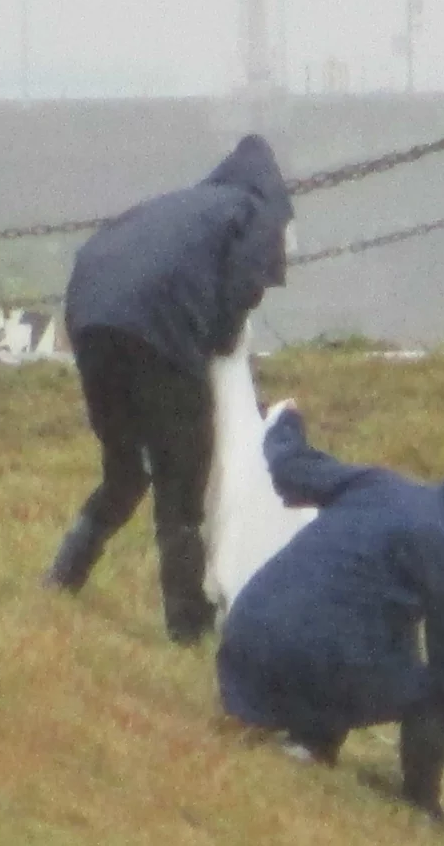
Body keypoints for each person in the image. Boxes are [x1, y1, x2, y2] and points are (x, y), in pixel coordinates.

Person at [215, 405, 444, 823]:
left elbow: (291, 469)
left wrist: (286, 422)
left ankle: (306, 742)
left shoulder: (379, 485)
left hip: (246, 638)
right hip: (312, 661)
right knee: (432, 691)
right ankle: (420, 806)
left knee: (367, 634)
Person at [45, 134, 294, 643]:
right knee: (180, 481)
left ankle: (63, 574)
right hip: (159, 328)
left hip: (90, 321)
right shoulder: (256, 212)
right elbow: (245, 283)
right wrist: (222, 339)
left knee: (125, 467)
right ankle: (187, 624)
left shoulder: (186, 206)